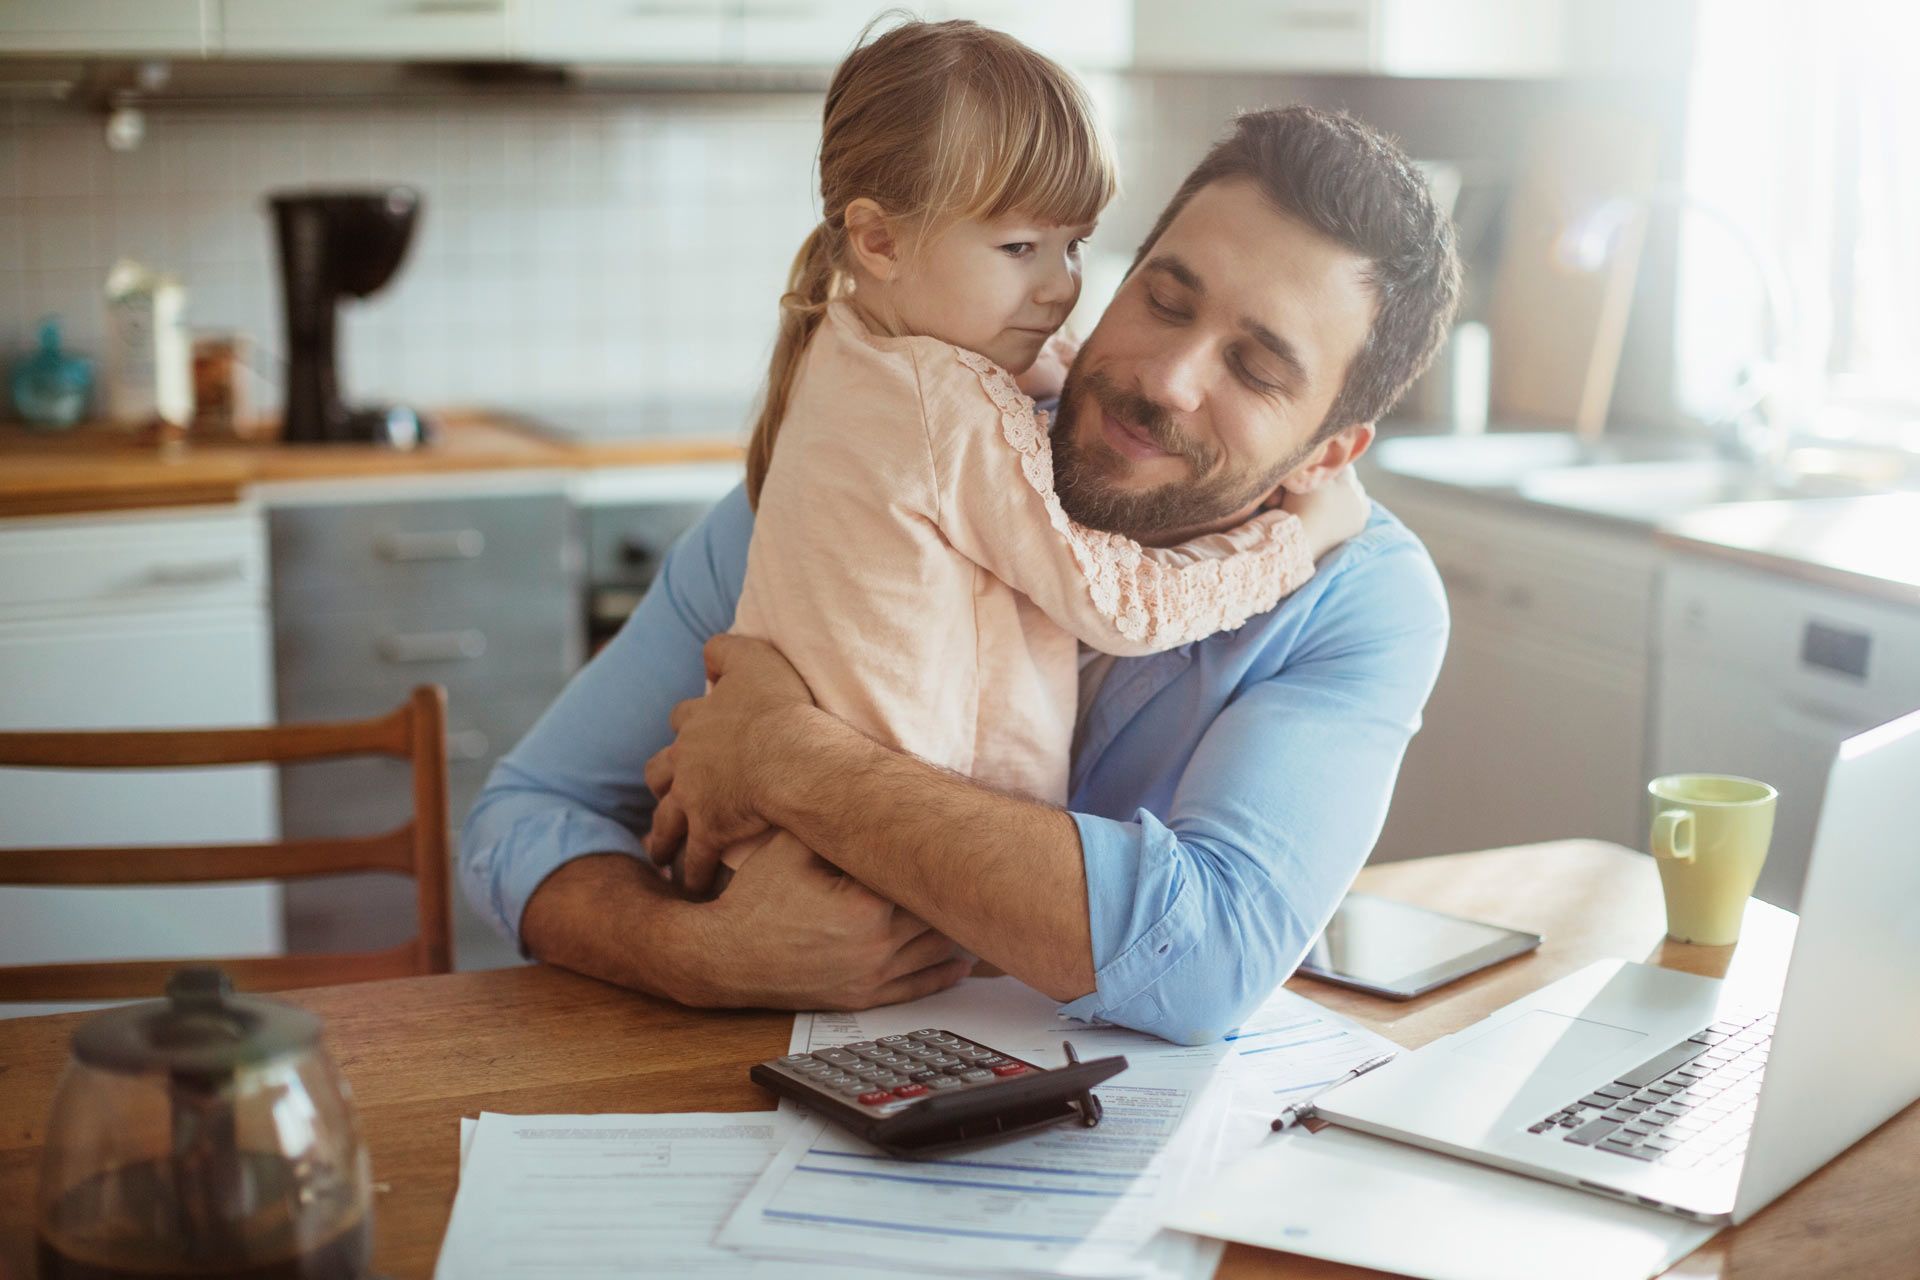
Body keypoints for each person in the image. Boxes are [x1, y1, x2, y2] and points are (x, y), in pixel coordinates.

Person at [462, 104, 1461, 1045]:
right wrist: (701, 953)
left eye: (1255, 369)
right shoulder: (881, 463)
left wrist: (782, 753)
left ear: (1332, 451)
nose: (1168, 378)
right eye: (1164, 298)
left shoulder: (1358, 599)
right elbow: (521, 818)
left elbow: (1202, 957)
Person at [712, 19, 1364, 893]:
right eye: (1019, 248)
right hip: (896, 870)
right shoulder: (953, 408)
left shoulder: (849, 346)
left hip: (811, 849)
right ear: (879, 241)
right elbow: (1120, 606)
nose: (1060, 286)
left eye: (1075, 246)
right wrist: (1295, 541)